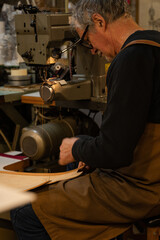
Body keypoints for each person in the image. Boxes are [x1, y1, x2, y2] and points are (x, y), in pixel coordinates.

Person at [11, 0, 160, 239]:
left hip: (141, 188)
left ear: (99, 22)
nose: (91, 50)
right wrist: (85, 148)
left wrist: (76, 147)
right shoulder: (154, 43)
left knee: (24, 212)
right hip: (151, 176)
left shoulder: (130, 59)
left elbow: (115, 153)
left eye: (86, 40)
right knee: (79, 154)